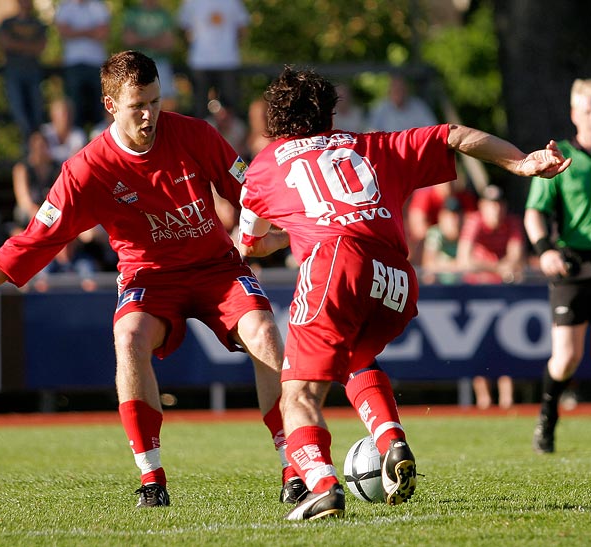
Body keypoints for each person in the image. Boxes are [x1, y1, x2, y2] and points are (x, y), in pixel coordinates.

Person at [0, 51, 298, 510]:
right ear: (109, 104)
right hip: (149, 277)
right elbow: (32, 241)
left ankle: (294, 466)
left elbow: (255, 193)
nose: (150, 115)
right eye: (137, 105)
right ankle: (152, 478)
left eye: (156, 101)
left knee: (264, 332)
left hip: (216, 268)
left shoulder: (197, 134)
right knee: (127, 336)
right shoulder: (87, 168)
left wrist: (295, 231)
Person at [237, 66, 570, 520]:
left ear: (272, 121)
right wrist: (520, 162)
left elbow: (250, 243)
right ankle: (391, 440)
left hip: (336, 263)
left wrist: (284, 234)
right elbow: (453, 134)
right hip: (396, 278)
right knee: (354, 356)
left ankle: (322, 486)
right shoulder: (370, 144)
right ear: (329, 114)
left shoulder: (264, 164)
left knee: (296, 393)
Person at [525, 78, 591, 454]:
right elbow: (535, 211)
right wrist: (545, 249)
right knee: (567, 357)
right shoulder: (563, 157)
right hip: (575, 264)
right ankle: (547, 417)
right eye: (588, 110)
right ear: (574, 113)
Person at [177, 0, 249, 118]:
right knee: (200, 109)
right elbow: (184, 29)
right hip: (202, 62)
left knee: (230, 110)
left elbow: (242, 28)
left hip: (226, 62)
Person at [0, 0, 48, 151]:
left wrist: (18, 46)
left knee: (37, 115)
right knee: (20, 115)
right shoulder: (7, 23)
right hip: (14, 74)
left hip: (33, 73)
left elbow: (41, 47)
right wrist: (29, 47)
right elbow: (5, 43)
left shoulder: (38, 24)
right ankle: (27, 152)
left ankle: (36, 152)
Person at [54, 0, 111, 130]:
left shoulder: (98, 6)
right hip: (73, 64)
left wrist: (76, 31)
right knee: (75, 110)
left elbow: (103, 33)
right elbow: (64, 33)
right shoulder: (65, 7)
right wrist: (91, 31)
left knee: (100, 107)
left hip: (96, 64)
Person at [456, 184, 526, 285]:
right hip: (478, 282)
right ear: (482, 206)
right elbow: (463, 260)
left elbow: (516, 257)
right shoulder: (473, 221)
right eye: (492, 205)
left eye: (500, 204)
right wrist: (497, 268)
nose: (496, 209)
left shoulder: (513, 222)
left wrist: (500, 268)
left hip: (506, 281)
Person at [121, 0, 177, 111]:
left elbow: (169, 43)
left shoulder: (164, 14)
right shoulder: (132, 13)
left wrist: (141, 39)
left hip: (161, 64)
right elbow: (128, 39)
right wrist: (155, 40)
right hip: (137, 65)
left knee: (166, 102)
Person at [12, 131, 61, 230]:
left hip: (52, 212)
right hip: (28, 215)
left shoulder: (56, 168)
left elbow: (60, 196)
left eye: (43, 146)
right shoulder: (22, 169)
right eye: (37, 147)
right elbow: (24, 201)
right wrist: (43, 218)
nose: (40, 150)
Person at [367, 73, 437, 132]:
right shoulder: (381, 108)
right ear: (389, 91)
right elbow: (371, 131)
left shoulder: (419, 106)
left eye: (401, 89)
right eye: (395, 89)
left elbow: (432, 129)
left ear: (407, 90)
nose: (398, 92)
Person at [420, 196, 464, 285]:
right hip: (439, 286)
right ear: (441, 217)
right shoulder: (435, 233)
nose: (454, 220)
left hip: (463, 286)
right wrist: (457, 265)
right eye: (449, 215)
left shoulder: (466, 233)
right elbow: (429, 264)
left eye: (457, 215)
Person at [40, 98, 88, 165]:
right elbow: (41, 157)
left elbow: (77, 157)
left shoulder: (79, 134)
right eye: (63, 113)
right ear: (53, 115)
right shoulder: (44, 132)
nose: (67, 117)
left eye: (69, 113)